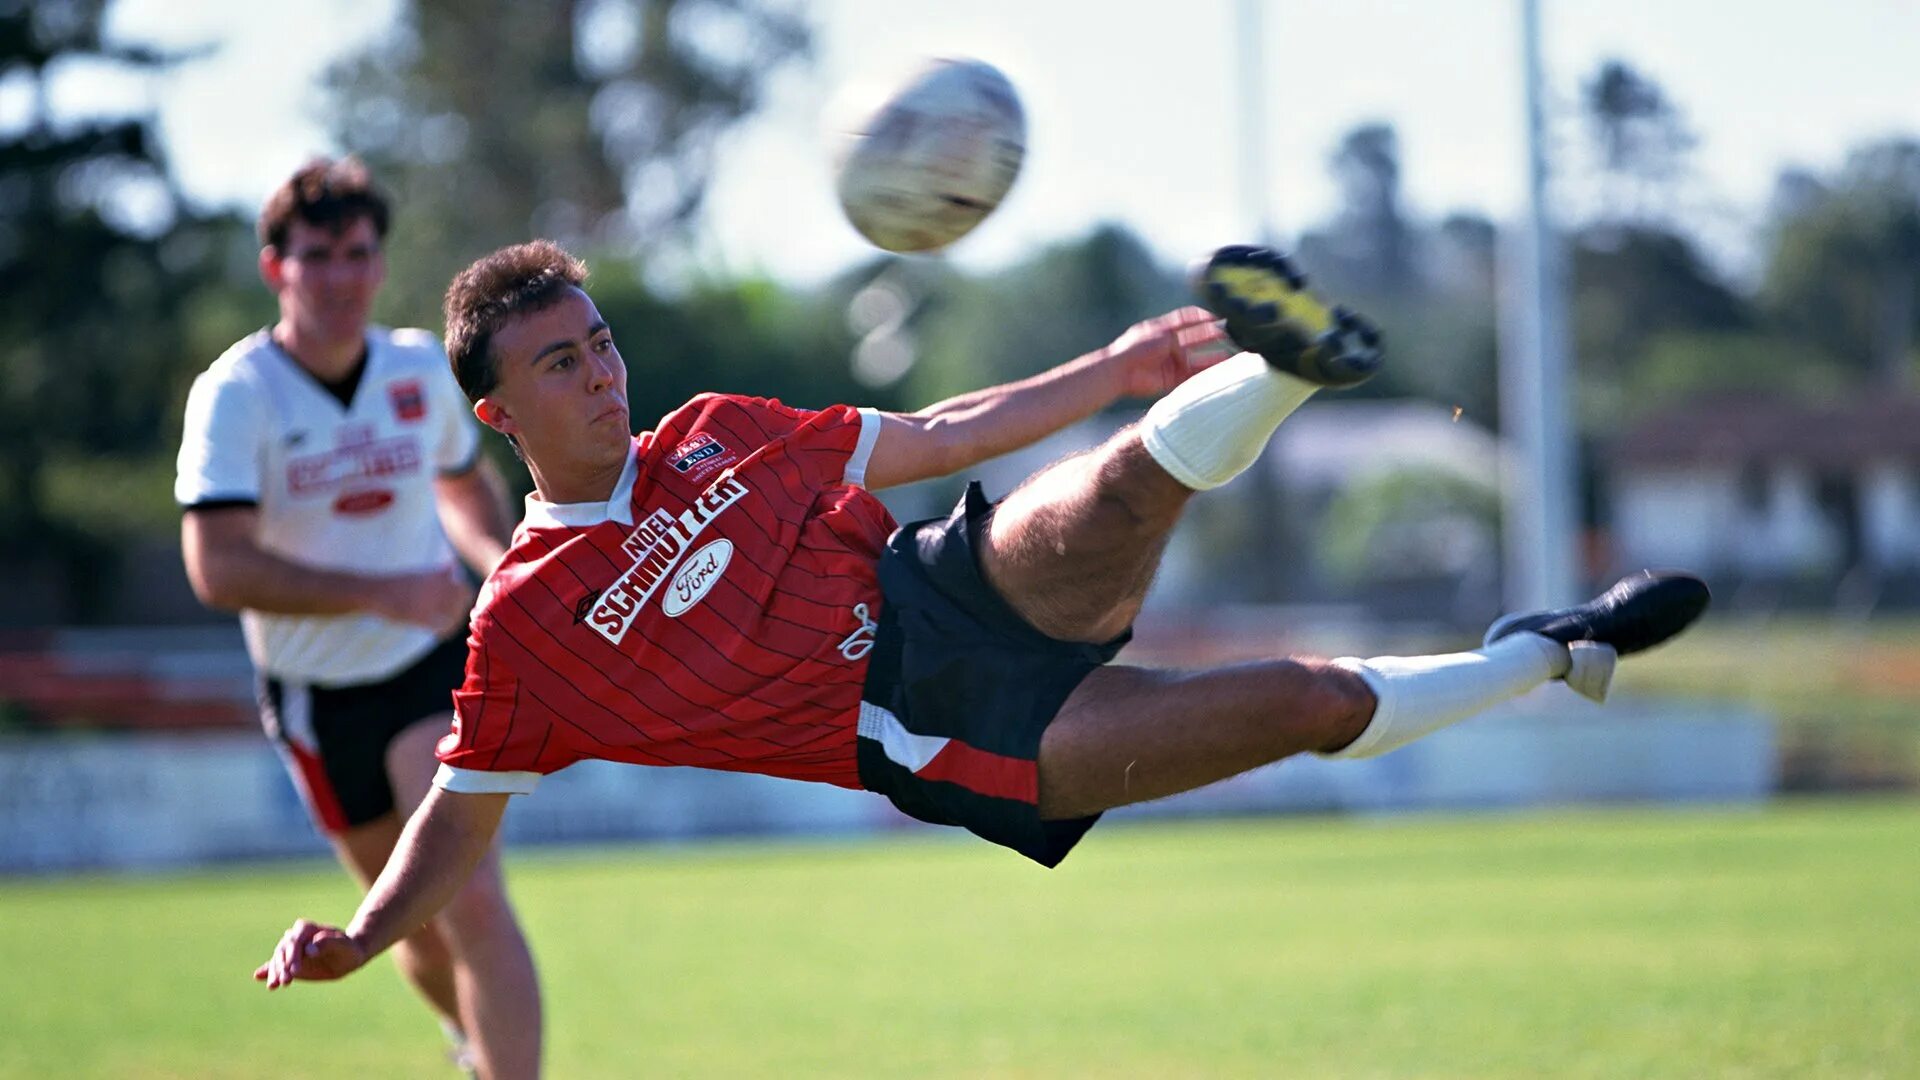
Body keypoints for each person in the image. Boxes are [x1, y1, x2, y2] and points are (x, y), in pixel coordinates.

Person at [255, 240, 1708, 1045]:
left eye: (602, 342)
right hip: (936, 738)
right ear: (498, 416)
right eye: (560, 364)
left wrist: (1123, 368)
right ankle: (1545, 650)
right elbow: (462, 799)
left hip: (945, 591)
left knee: (1128, 479)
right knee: (1308, 699)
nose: (603, 375)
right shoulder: (524, 624)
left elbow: (939, 434)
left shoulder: (721, 435)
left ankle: (1285, 363)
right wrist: (372, 932)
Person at [178, 159, 541, 1077]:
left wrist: (502, 573)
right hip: (316, 694)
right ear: (276, 268)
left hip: (431, 661)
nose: (341, 277)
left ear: (382, 263)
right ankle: (471, 1047)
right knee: (402, 921)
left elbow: (464, 486)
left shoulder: (419, 365)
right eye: (317, 256)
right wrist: (376, 589)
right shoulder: (237, 396)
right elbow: (216, 568)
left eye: (359, 254)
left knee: (473, 898)